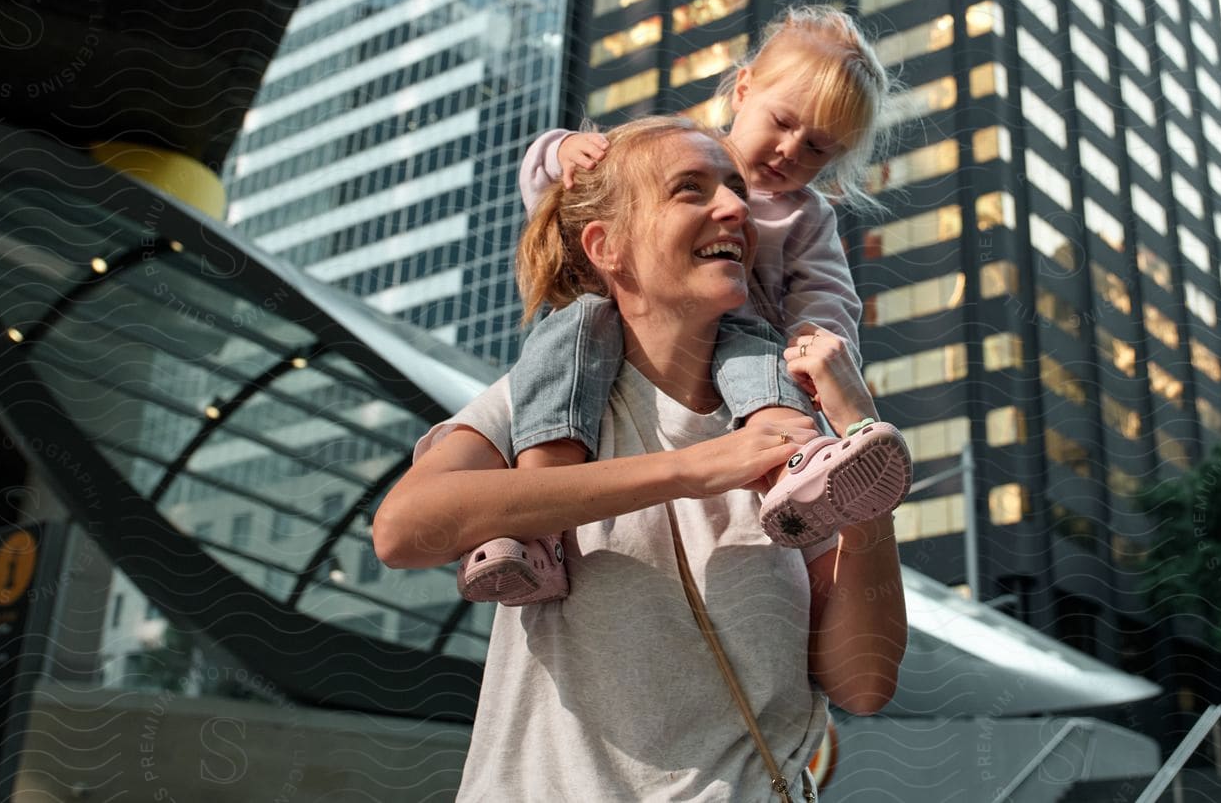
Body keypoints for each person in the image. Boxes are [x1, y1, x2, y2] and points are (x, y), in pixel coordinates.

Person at [372, 118, 908, 801]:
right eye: (691, 190)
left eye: (736, 190)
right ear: (607, 246)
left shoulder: (784, 434)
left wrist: (861, 454)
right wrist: (691, 469)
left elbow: (864, 682)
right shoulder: (540, 401)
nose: (737, 209)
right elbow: (402, 530)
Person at [459, 5, 911, 604]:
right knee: (565, 341)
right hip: (624, 320)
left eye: (817, 149)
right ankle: (533, 529)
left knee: (761, 359)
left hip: (741, 347)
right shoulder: (671, 151)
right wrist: (563, 150)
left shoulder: (804, 215)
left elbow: (827, 292)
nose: (789, 150)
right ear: (743, 89)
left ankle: (796, 475)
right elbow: (570, 201)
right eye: (782, 121)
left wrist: (813, 339)